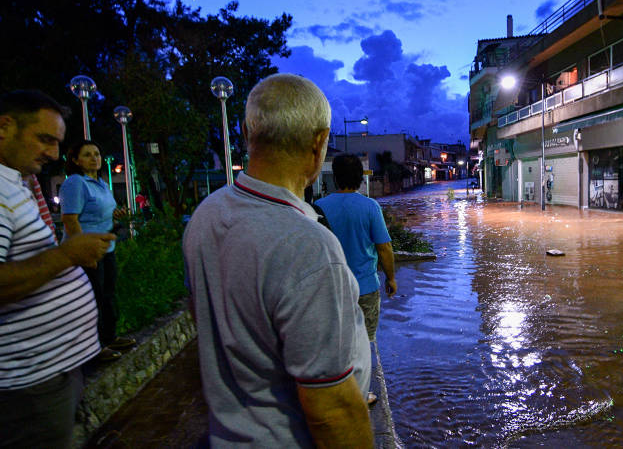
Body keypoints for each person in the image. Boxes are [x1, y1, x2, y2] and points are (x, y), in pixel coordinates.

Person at [183, 74, 373, 447]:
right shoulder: (309, 246)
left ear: (245, 131)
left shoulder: (206, 215)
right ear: (320, 143)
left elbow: (205, 317)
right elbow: (331, 408)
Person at [0, 89, 115, 447]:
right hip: (31, 383)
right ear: (4, 126)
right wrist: (68, 254)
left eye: (57, 143)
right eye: (44, 139)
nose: (52, 153)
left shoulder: (15, 182)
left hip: (53, 372)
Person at [59, 140, 136, 362]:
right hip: (87, 252)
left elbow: (99, 214)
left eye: (97, 153)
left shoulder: (100, 183)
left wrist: (115, 216)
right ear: (75, 160)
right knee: (93, 298)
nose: (95, 158)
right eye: (88, 154)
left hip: (105, 248)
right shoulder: (75, 183)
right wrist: (83, 252)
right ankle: (94, 348)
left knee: (108, 296)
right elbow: (70, 220)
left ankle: (109, 337)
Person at [315, 153, 397, 344]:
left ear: (335, 177)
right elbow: (384, 248)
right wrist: (391, 278)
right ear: (360, 178)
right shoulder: (370, 207)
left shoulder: (318, 207)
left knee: (337, 344)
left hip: (332, 290)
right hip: (365, 288)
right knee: (366, 343)